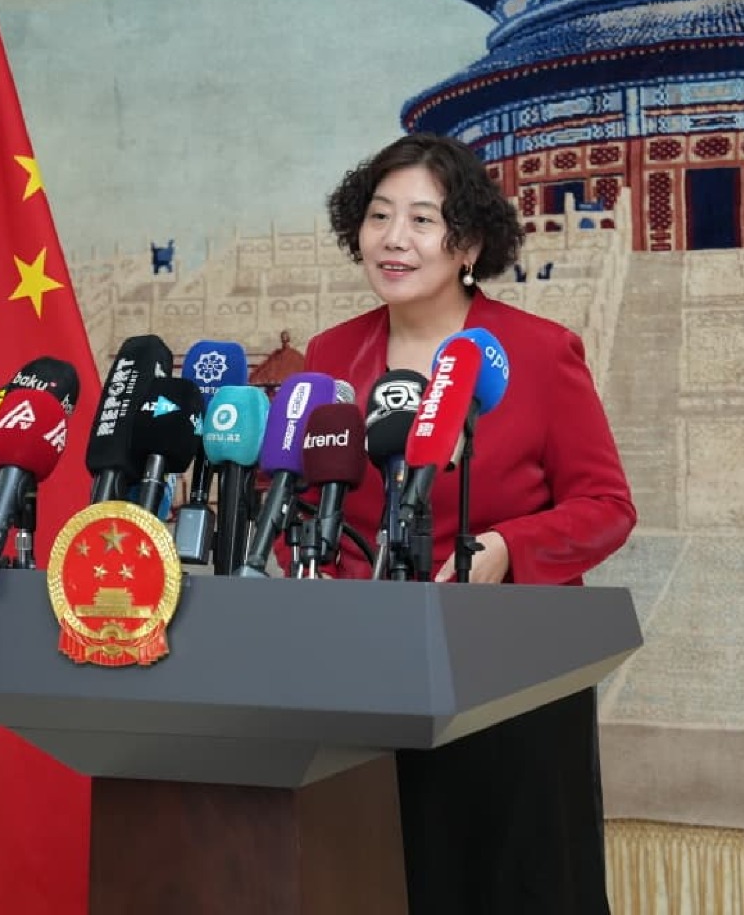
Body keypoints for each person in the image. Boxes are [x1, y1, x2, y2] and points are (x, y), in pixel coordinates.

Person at [291, 132, 637, 913]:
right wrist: (322, 571)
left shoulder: (539, 352)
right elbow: (302, 502)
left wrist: (509, 548)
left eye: (422, 219)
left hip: (510, 680)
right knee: (385, 877)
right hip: (367, 675)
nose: (395, 238)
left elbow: (607, 507)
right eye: (380, 216)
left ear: (470, 244)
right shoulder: (331, 354)